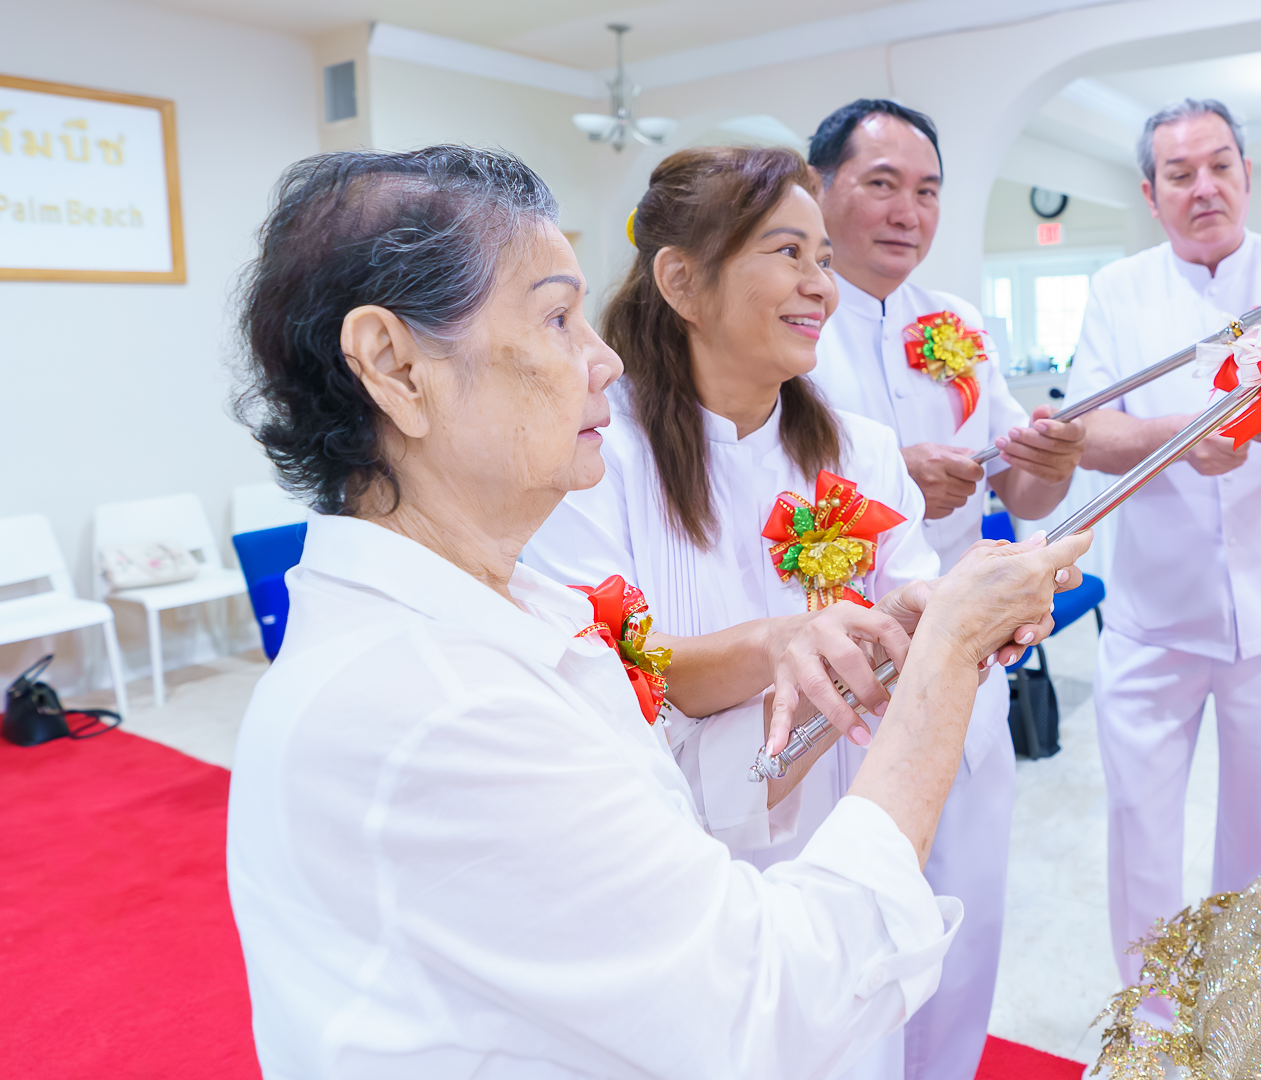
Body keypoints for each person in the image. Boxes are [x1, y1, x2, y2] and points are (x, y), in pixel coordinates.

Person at [225, 146, 1088, 1079]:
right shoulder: (438, 709)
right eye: (557, 316)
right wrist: (946, 649)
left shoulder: (508, 610)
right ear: (395, 366)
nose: (602, 358)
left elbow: (671, 793)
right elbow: (773, 999)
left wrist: (899, 644)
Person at [520, 145, 979, 1080]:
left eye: (822, 256)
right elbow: (612, 664)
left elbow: (908, 597)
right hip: (679, 860)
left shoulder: (864, 449)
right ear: (683, 280)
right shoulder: (596, 456)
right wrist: (784, 643)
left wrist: (947, 614)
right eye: (788, 253)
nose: (822, 284)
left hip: (849, 830)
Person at [804, 99, 1086, 1080]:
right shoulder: (789, 326)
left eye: (924, 191)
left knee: (968, 906)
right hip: (837, 674)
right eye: (879, 183)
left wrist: (1052, 455)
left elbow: (1025, 486)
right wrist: (889, 485)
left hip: (960, 664)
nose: (906, 212)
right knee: (857, 928)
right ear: (820, 191)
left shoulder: (955, 324)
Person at [1068, 98, 1261, 994]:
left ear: (1248, 174)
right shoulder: (1118, 290)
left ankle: (1251, 1002)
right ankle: (1147, 1019)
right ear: (1152, 195)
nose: (1204, 188)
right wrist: (1176, 433)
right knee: (1140, 823)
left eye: (1220, 166)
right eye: (1179, 175)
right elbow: (1087, 432)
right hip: (1152, 610)